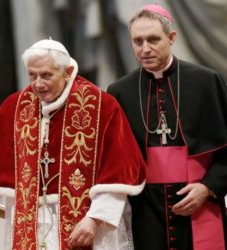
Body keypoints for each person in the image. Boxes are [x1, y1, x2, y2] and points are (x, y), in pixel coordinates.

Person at [0, 39, 145, 250]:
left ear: (68, 72)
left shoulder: (101, 107)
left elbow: (118, 173)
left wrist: (95, 219)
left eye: (46, 76)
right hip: (28, 221)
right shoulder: (16, 107)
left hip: (84, 224)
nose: (38, 84)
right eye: (32, 75)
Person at [107, 4, 227, 250]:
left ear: (171, 38)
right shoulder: (119, 91)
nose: (145, 49)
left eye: (153, 39)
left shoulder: (206, 82)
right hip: (145, 208)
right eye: (137, 41)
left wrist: (209, 187)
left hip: (199, 199)